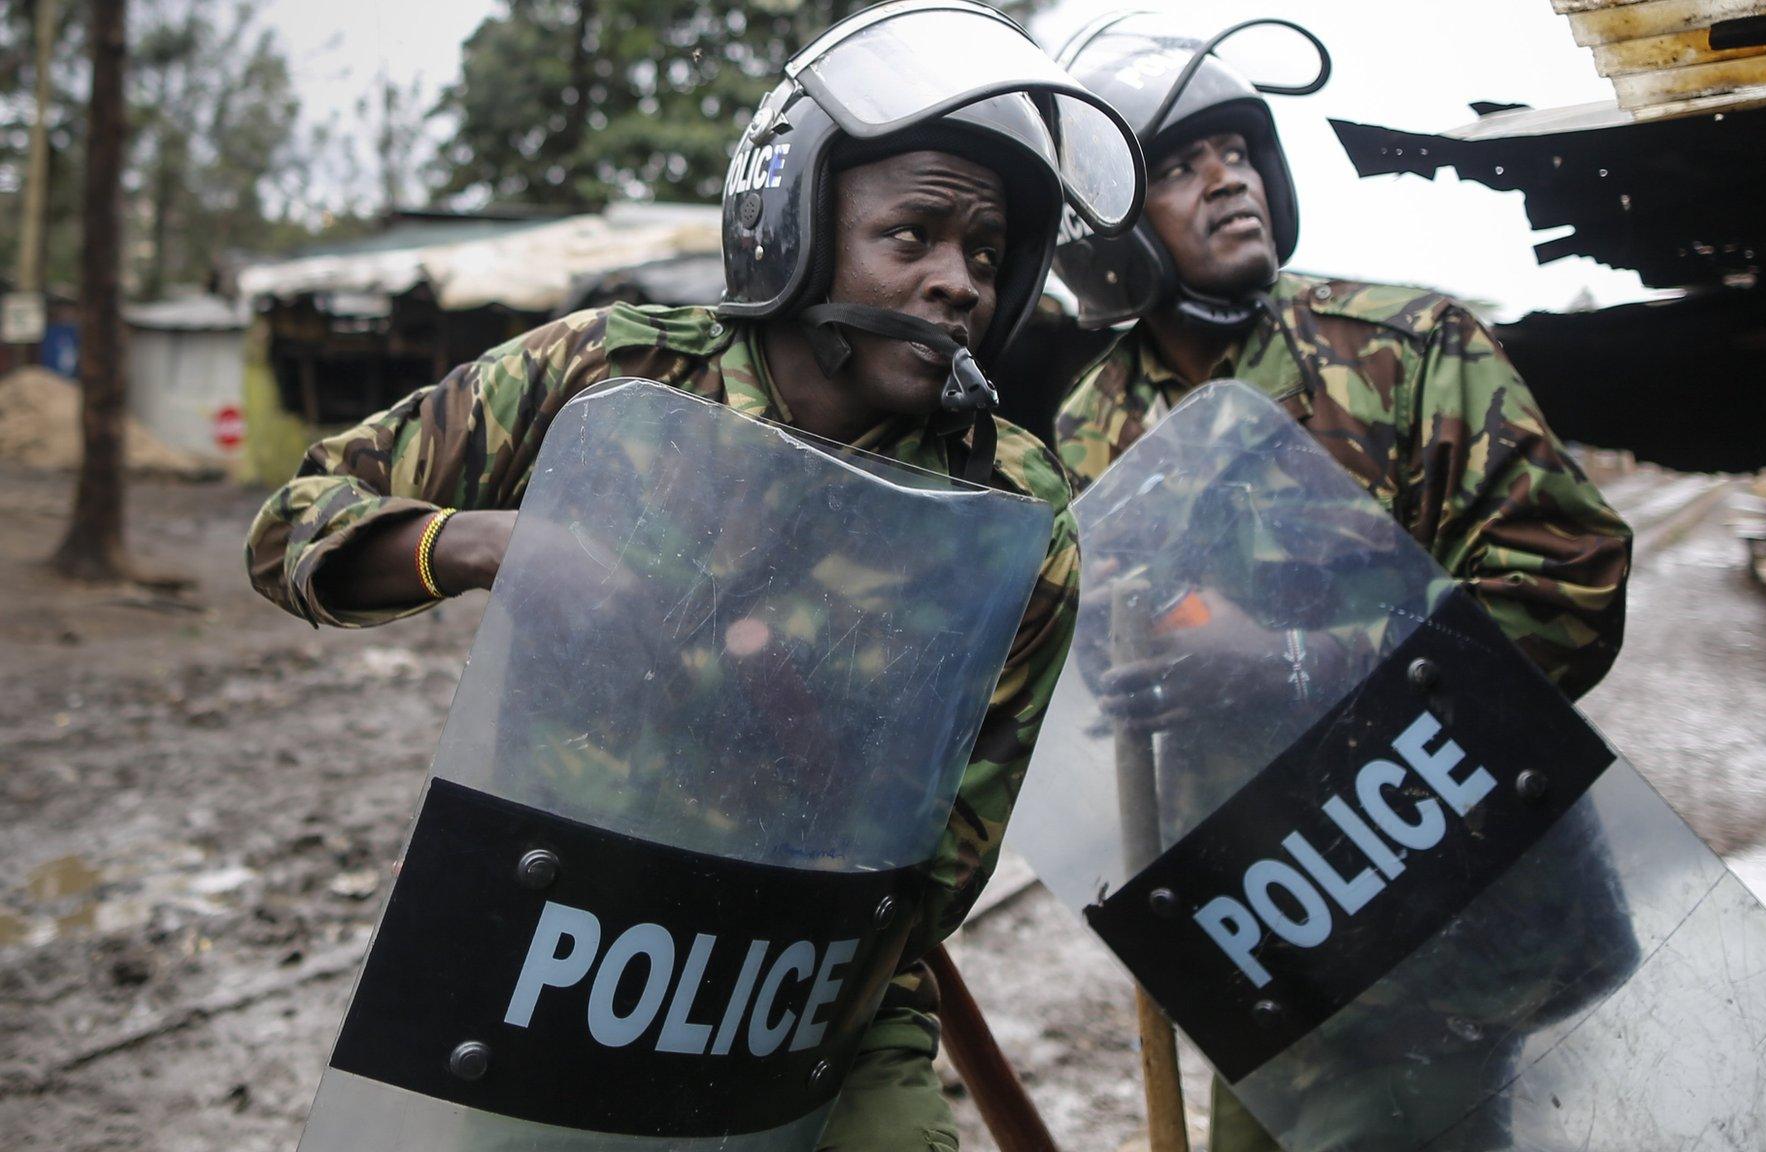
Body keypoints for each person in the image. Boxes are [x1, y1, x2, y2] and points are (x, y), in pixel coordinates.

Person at [245, 6, 1146, 1149]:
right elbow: (293, 523)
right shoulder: (612, 372)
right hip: (560, 946)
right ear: (795, 228)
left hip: (816, 989)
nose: (956, 281)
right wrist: (476, 546)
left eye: (985, 254)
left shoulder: (1014, 510)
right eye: (911, 234)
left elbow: (948, 850)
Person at [1049, 15, 1634, 1152]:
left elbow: (1567, 590)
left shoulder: (1407, 349)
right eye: (1177, 167)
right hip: (1257, 932)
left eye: (1236, 153)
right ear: (1106, 233)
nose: (1228, 182)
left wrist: (1292, 664)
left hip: (1441, 913)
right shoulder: (1087, 426)